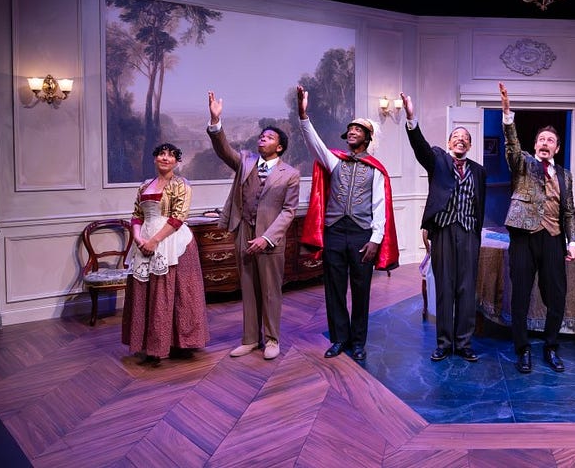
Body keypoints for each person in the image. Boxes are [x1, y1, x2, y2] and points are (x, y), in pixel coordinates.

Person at [297, 85, 399, 361]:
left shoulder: (376, 169)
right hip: (334, 231)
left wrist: (375, 240)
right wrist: (303, 115)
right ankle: (339, 339)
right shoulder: (334, 160)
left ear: (367, 137)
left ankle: (358, 342)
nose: (351, 132)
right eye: (349, 129)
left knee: (362, 290)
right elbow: (314, 142)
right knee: (334, 289)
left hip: (361, 235)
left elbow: (380, 207)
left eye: (357, 130)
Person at [207, 91, 301, 360]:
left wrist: (268, 238)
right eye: (262, 135)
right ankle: (249, 338)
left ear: (279, 147)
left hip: (270, 238)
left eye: (269, 137)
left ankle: (272, 340)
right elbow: (223, 150)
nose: (263, 138)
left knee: (271, 291)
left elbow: (289, 211)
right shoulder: (245, 162)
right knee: (247, 288)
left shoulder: (290, 174)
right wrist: (216, 122)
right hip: (244, 231)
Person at [499, 82, 575, 374]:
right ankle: (523, 350)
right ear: (535, 145)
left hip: (554, 239)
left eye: (550, 140)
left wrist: (572, 242)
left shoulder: (565, 176)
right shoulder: (523, 164)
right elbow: (511, 143)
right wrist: (508, 111)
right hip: (524, 236)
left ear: (557, 147)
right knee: (520, 294)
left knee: (556, 296)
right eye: (541, 139)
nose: (545, 143)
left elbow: (568, 211)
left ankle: (551, 346)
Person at [402, 92, 487, 363]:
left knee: (466, 288)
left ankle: (464, 343)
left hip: (469, 232)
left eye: (465, 138)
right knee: (446, 287)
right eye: (456, 137)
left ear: (470, 145)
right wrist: (411, 118)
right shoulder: (438, 159)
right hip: (444, 231)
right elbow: (420, 147)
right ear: (449, 142)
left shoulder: (479, 171)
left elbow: (480, 204)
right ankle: (443, 343)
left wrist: (475, 232)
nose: (460, 140)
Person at [122, 143, 208, 366]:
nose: (165, 158)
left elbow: (178, 217)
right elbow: (136, 215)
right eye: (161, 154)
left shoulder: (181, 185)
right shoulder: (144, 186)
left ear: (177, 162)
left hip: (172, 240)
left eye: (171, 156)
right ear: (155, 158)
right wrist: (139, 239)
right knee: (146, 291)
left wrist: (154, 241)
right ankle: (149, 343)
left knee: (173, 292)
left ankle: (176, 342)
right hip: (145, 239)